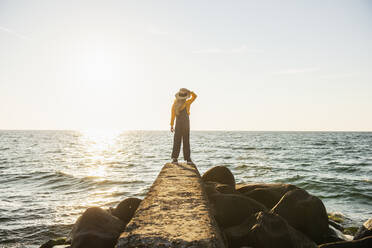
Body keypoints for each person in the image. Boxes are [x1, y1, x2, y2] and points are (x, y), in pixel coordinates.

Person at [170, 88, 197, 164]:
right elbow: (195, 96)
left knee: (178, 140)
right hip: (183, 123)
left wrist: (172, 125)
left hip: (181, 123)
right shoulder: (186, 102)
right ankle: (186, 159)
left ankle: (176, 159)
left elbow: (172, 116)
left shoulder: (178, 104)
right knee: (184, 140)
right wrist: (190, 92)